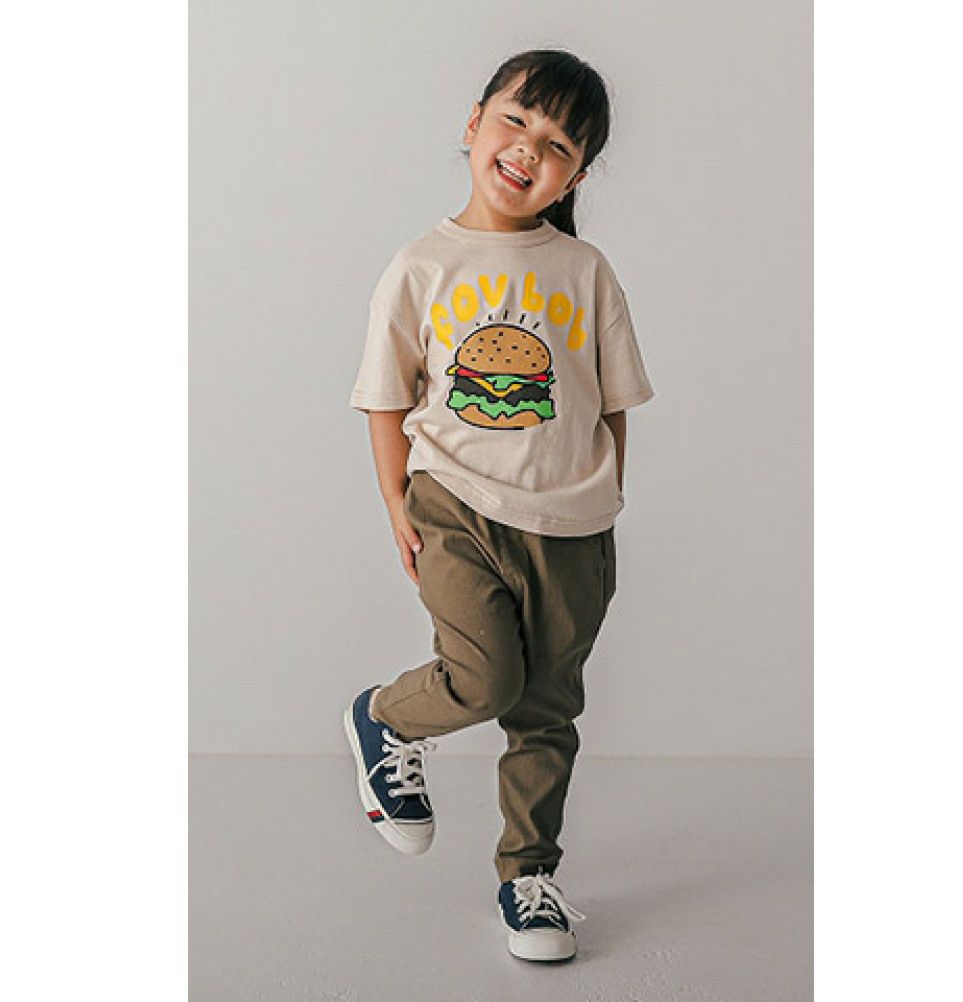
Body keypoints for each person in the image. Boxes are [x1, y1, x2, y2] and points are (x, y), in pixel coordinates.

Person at [343, 48, 655, 962]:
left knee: (548, 712)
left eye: (559, 145)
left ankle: (528, 877)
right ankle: (388, 715)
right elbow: (386, 396)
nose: (529, 150)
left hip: (574, 529)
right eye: (516, 121)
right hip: (456, 504)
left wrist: (607, 496)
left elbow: (614, 401)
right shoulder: (422, 264)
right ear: (474, 123)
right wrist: (396, 502)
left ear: (577, 177)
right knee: (485, 678)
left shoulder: (586, 270)